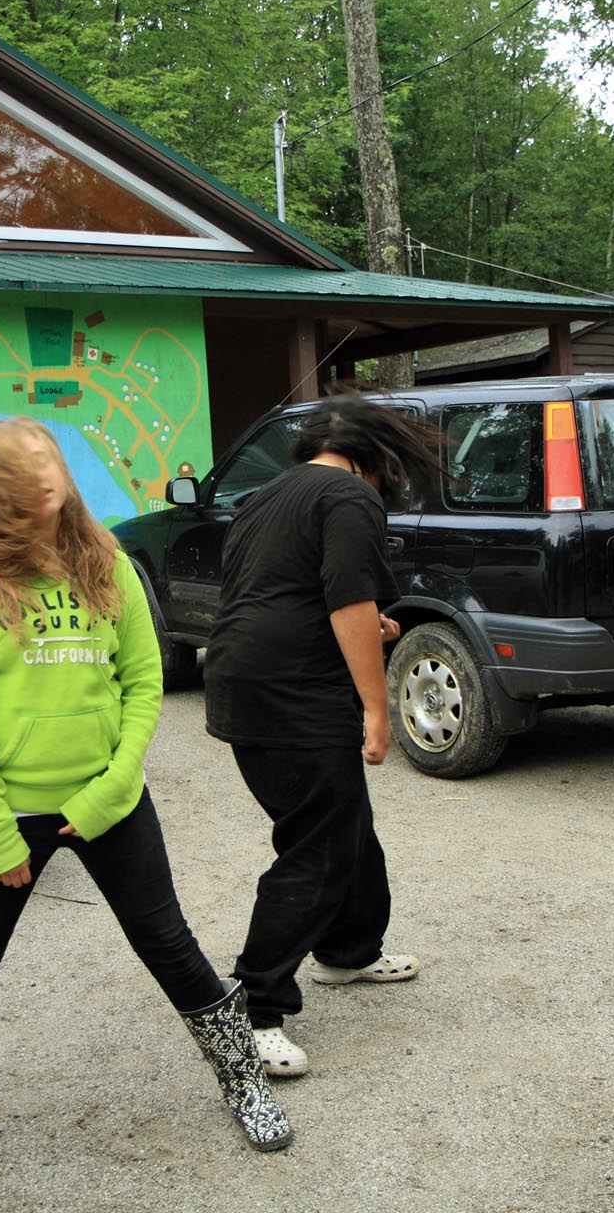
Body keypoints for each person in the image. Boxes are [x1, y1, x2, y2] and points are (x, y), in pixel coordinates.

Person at [0, 418, 290, 1196]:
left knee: (170, 945)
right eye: (24, 468)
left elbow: (144, 683)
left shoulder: (107, 561)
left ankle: (242, 1079)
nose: (45, 473)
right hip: (7, 812)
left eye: (47, 457)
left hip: (108, 800)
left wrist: (113, 788)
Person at [202, 394, 439, 1078]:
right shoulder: (349, 495)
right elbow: (347, 602)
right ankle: (252, 1008)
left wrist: (369, 628)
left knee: (343, 825)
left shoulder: (265, 497)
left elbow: (284, 592)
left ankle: (348, 951)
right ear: (373, 460)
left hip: (242, 680)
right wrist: (377, 709)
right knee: (316, 848)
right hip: (295, 694)